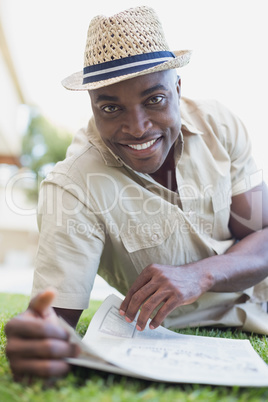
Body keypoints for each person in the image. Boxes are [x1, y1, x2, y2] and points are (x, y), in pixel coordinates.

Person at [5, 6, 268, 380]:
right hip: (194, 338)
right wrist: (35, 343)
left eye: (154, 100)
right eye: (111, 107)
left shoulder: (219, 125)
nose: (137, 128)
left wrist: (200, 275)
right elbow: (51, 323)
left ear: (178, 88)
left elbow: (263, 234)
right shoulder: (72, 188)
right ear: (92, 106)